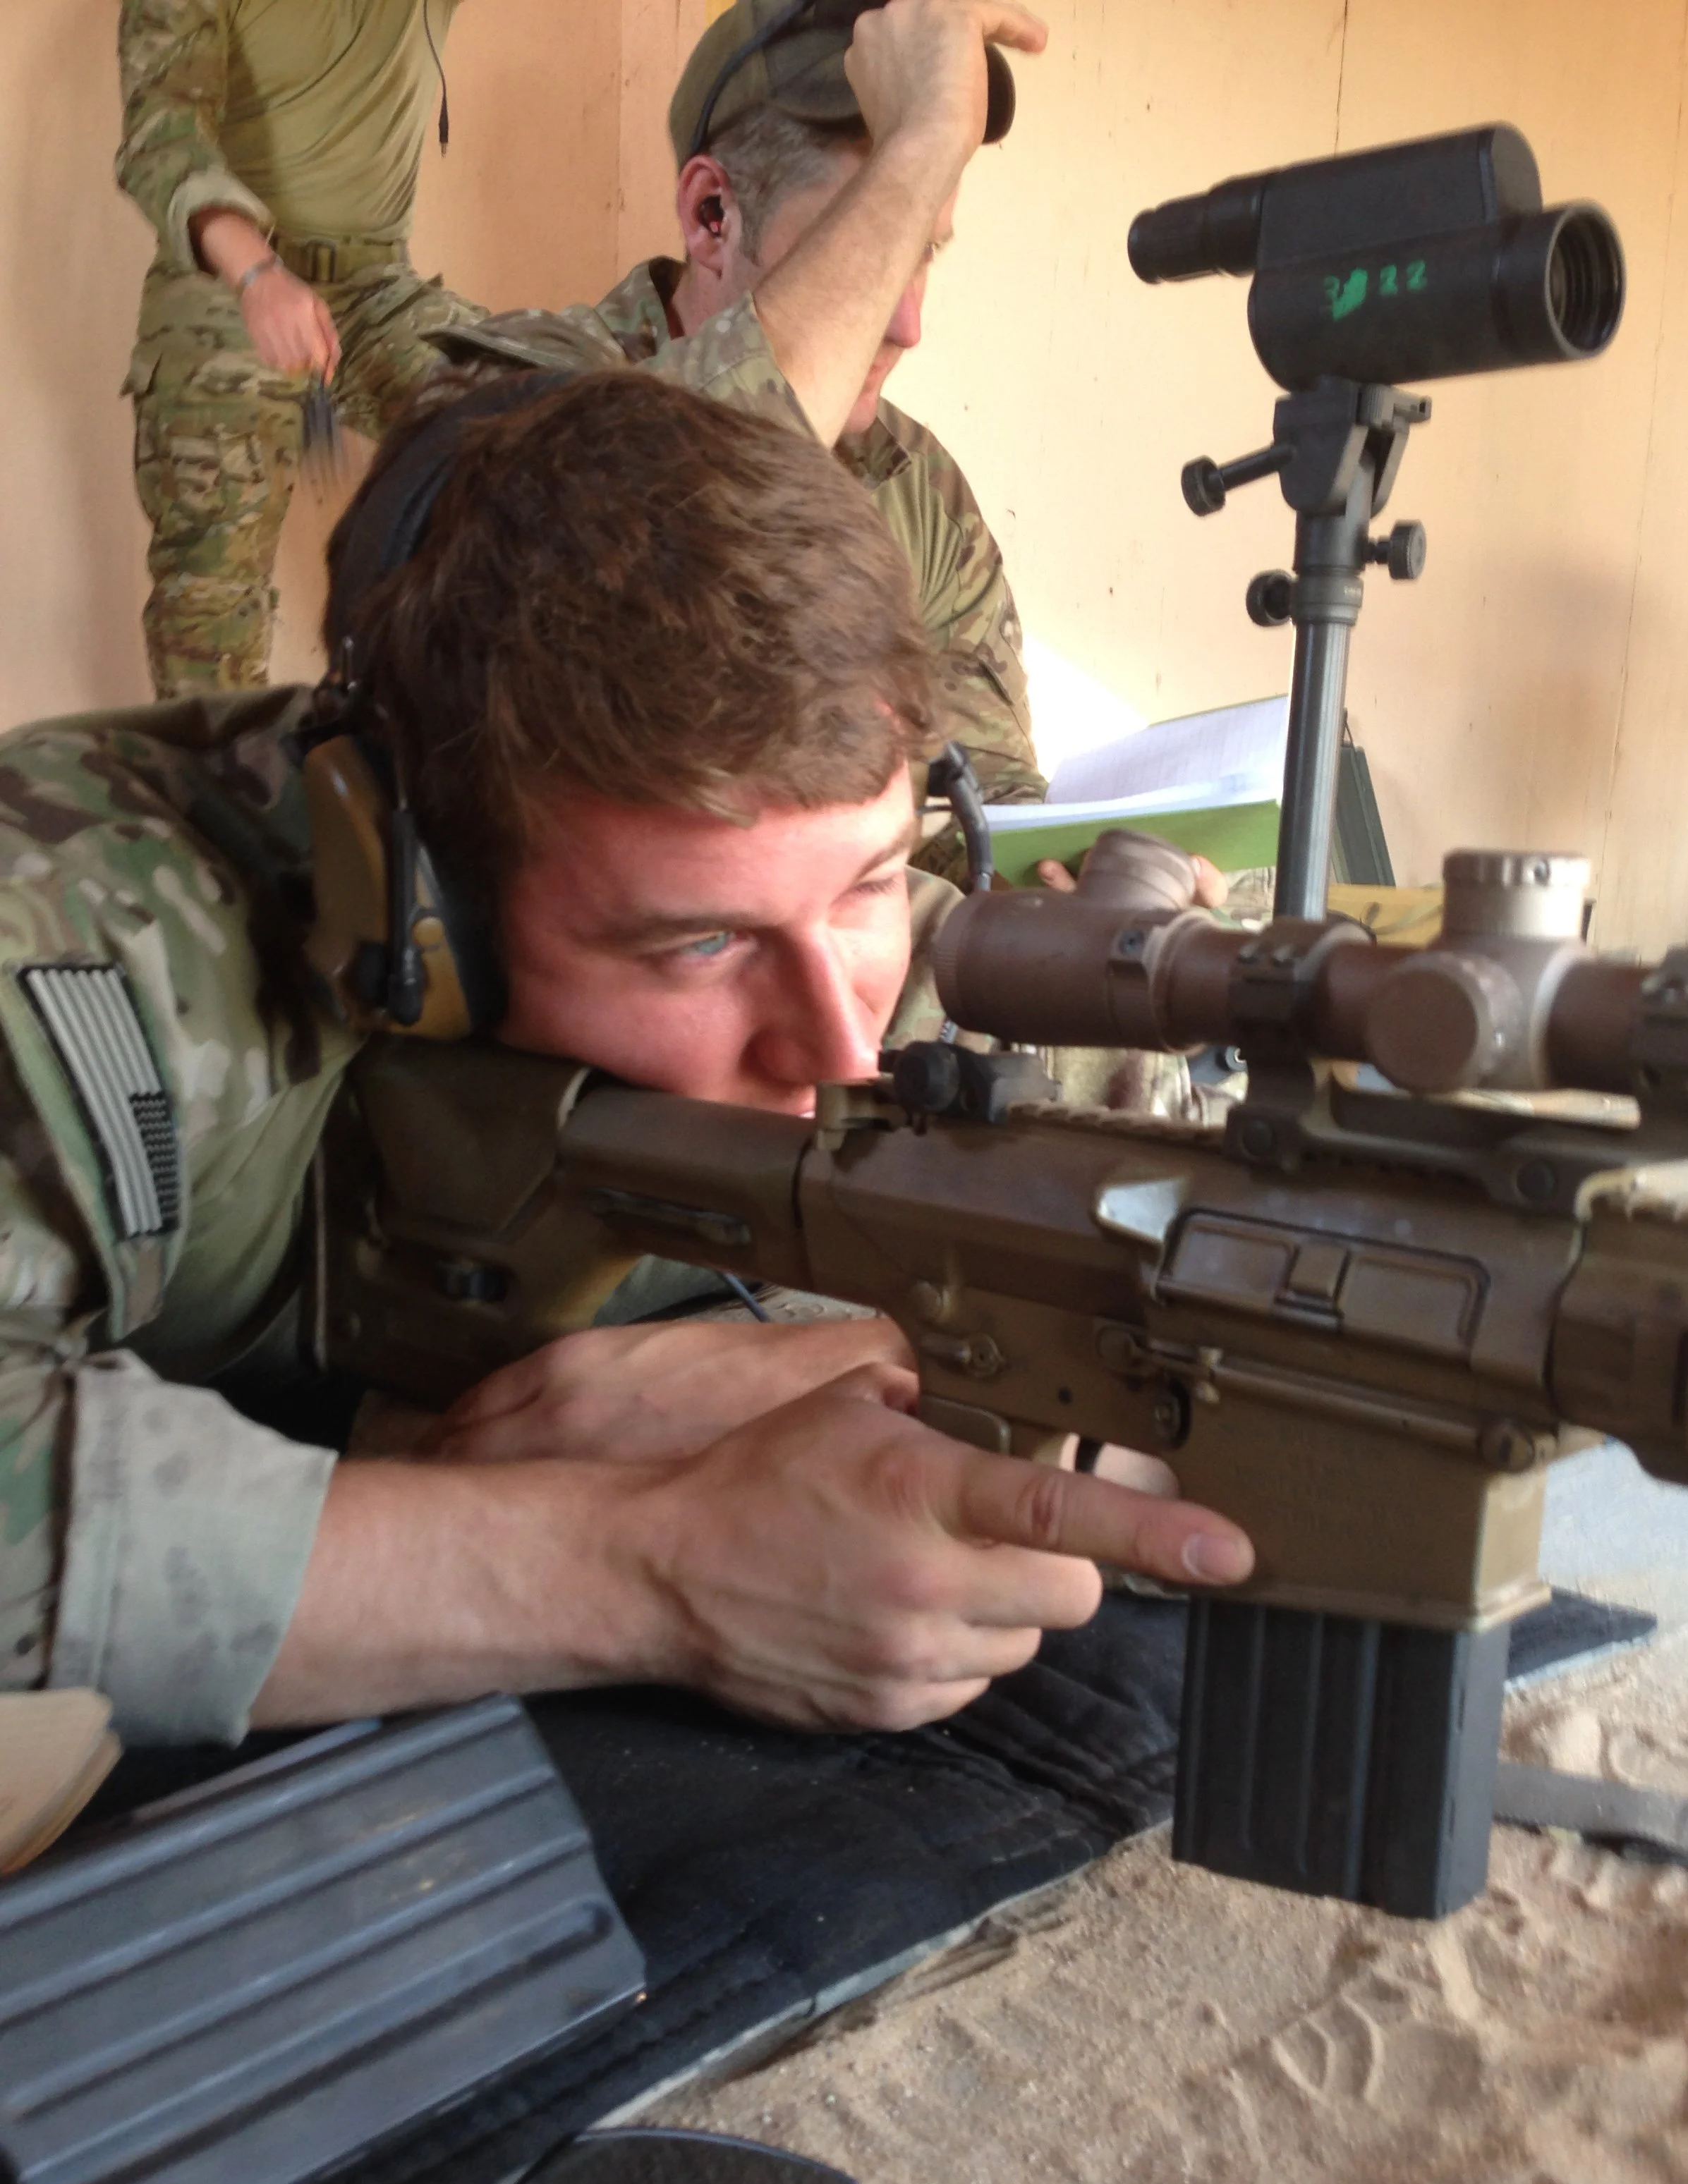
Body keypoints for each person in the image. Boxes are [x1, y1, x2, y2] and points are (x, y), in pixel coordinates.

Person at [0, 370, 1253, 1752]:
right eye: (703, 943)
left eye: (870, 882)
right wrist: (647, 1569)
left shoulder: (877, 967)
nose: (836, 1041)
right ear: (426, 904)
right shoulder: (83, 938)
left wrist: (827, 1360)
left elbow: (1252, 1251)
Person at [433, 0, 1049, 872]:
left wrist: (1067, 885)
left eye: (923, 249)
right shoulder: (511, 396)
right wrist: (924, 137)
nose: (909, 323)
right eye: (872, 238)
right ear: (712, 214)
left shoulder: (920, 493)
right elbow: (610, 542)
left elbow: (982, 811)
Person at [116, 0, 487, 697]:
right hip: (226, 285)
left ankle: (458, 760)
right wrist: (258, 274)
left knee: (529, 442)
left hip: (376, 285)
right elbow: (160, 136)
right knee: (212, 600)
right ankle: (225, 792)